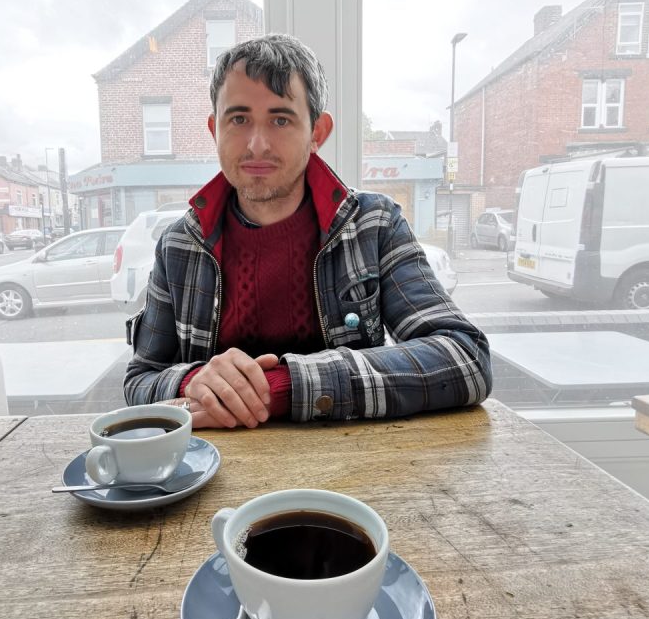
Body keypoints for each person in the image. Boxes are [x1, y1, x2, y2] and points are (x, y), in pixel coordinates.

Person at [124, 34, 492, 429]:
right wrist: (195, 382)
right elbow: (140, 381)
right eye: (239, 118)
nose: (257, 144)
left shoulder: (374, 225)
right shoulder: (178, 245)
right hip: (210, 473)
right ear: (215, 129)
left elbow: (466, 357)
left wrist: (282, 387)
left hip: (352, 467)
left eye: (280, 119)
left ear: (318, 132)